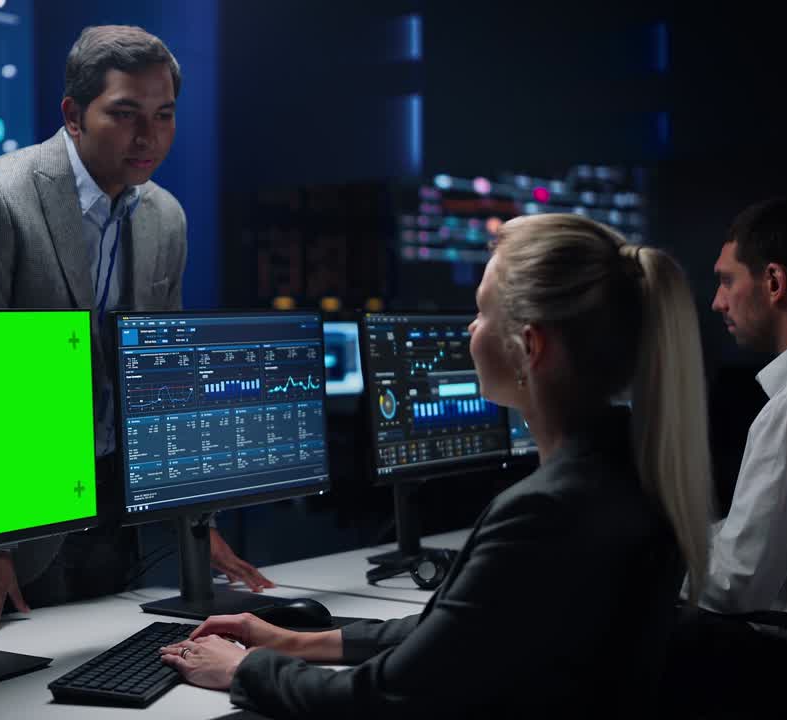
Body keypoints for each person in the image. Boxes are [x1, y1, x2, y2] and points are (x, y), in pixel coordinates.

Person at [159, 214, 713, 716]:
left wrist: (243, 670)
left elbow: (386, 698)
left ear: (530, 347)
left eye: (481, 312)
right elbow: (456, 635)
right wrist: (287, 639)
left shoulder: (546, 513)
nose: (469, 330)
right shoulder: (628, 475)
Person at [0, 25, 271, 636]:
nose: (149, 137)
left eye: (164, 115)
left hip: (123, 498)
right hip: (23, 511)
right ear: (73, 114)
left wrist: (196, 517)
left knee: (120, 658)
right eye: (125, 114)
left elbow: (167, 376)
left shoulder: (165, 215)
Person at [659, 199, 787, 716]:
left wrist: (646, 558)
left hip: (776, 665)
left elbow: (738, 585)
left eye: (726, 280)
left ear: (774, 282)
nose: (717, 302)